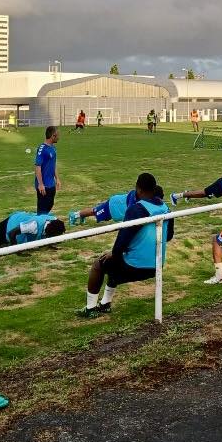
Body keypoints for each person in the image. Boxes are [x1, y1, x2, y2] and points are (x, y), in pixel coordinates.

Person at [77, 173, 172, 318]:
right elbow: (169, 236)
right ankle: (105, 304)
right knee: (114, 262)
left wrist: (114, 253)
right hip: (157, 264)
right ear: (154, 189)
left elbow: (121, 242)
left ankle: (90, 309)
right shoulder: (166, 208)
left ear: (138, 189)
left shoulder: (136, 209)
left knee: (100, 263)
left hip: (135, 266)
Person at [67, 184, 163, 226]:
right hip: (113, 205)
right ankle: (75, 215)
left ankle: (81, 215)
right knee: (95, 211)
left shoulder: (144, 198)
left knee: (96, 212)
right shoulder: (134, 195)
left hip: (117, 210)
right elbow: (130, 211)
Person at [0, 212, 65, 247]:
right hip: (13, 223)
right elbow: (12, 233)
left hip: (22, 219)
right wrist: (16, 250)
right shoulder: (34, 226)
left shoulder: (54, 220)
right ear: (51, 230)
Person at [34, 126, 60, 214]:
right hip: (44, 186)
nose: (59, 137)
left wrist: (57, 179)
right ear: (53, 136)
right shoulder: (42, 149)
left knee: (50, 204)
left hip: (51, 184)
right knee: (42, 210)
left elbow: (53, 164)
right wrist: (40, 184)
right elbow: (38, 167)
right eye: (57, 135)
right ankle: (38, 224)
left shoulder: (53, 148)